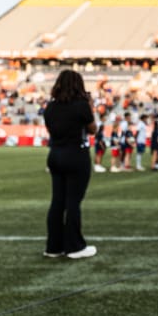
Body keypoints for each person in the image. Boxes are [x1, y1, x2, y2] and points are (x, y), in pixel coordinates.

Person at [42, 70, 97, 259]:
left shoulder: (50, 107)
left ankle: (53, 247)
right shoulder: (81, 105)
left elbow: (53, 130)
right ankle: (74, 247)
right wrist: (90, 107)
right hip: (75, 154)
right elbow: (93, 129)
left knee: (57, 201)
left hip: (55, 154)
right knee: (73, 202)